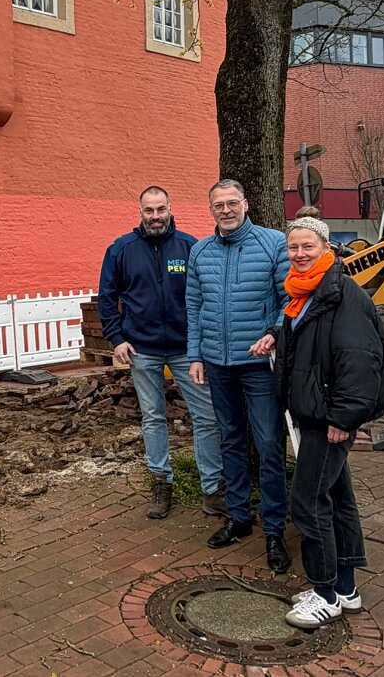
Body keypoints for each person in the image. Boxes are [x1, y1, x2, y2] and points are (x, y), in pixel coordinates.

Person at [274, 214, 384, 628]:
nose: (300, 254)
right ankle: (346, 588)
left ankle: (324, 595)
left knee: (307, 501)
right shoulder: (304, 291)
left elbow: (358, 361)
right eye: (293, 247)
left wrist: (343, 417)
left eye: (308, 246)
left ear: (326, 248)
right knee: (338, 499)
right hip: (315, 413)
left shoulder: (341, 295)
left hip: (329, 419)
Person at [98, 186, 226, 519]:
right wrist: (116, 338)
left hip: (187, 350)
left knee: (206, 417)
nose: (155, 217)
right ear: (140, 212)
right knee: (153, 417)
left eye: (161, 209)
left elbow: (206, 296)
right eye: (149, 210)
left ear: (170, 208)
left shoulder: (189, 247)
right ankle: (161, 483)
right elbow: (106, 297)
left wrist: (201, 341)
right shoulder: (121, 250)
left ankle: (212, 489)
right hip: (142, 350)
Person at [186, 179, 292, 573]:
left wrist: (274, 333)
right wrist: (196, 355)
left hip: (259, 363)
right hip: (217, 362)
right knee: (230, 438)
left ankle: (275, 529)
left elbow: (289, 298)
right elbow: (194, 307)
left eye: (232, 203)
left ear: (246, 204)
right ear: (211, 209)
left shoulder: (273, 243)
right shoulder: (200, 252)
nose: (226, 210)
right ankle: (239, 516)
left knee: (268, 443)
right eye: (219, 205)